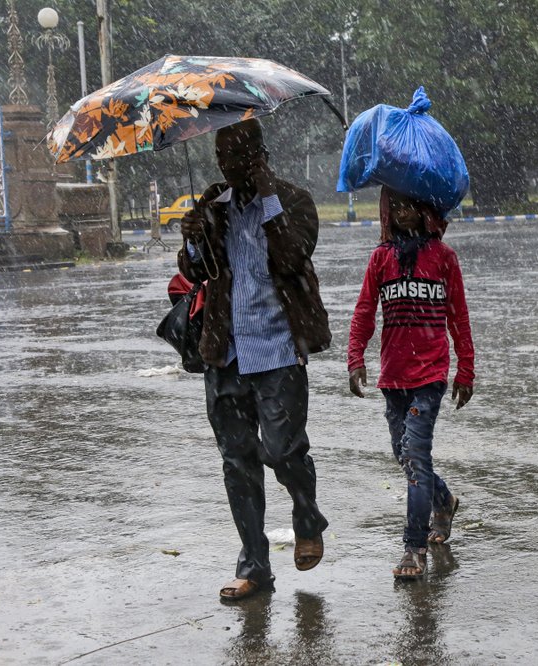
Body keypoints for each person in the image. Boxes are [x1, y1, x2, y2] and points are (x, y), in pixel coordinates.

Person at [177, 118, 331, 601]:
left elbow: (290, 256)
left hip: (279, 349)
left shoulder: (293, 200)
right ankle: (254, 565)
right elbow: (193, 270)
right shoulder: (212, 205)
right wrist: (193, 238)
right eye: (221, 157)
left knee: (285, 450)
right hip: (225, 351)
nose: (226, 165)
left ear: (259, 155)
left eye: (237, 155)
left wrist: (267, 196)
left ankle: (307, 516)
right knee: (237, 461)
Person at [347, 187, 475, 579]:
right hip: (393, 376)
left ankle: (413, 548)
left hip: (430, 377)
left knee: (416, 457)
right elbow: (365, 311)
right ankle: (444, 500)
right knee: (403, 455)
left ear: (425, 210)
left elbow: (459, 316)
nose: (403, 213)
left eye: (410, 206)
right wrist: (355, 359)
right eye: (396, 207)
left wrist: (465, 370)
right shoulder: (381, 259)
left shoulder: (443, 258)